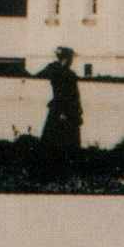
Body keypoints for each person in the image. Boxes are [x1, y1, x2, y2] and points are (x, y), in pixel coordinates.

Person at [32, 46, 82, 178]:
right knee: (61, 140)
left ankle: (52, 169)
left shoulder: (57, 71)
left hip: (61, 109)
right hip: (64, 109)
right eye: (70, 59)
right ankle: (55, 170)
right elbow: (71, 95)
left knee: (53, 139)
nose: (71, 61)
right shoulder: (65, 74)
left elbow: (74, 96)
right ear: (66, 59)